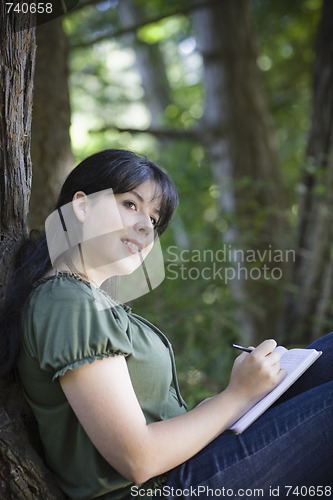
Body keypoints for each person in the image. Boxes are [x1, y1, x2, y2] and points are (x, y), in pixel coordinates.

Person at [0, 149, 332, 500]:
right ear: (82, 207)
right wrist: (238, 395)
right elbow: (137, 458)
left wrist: (220, 404)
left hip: (185, 467)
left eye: (154, 219)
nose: (145, 226)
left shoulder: (86, 301)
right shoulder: (68, 303)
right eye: (130, 204)